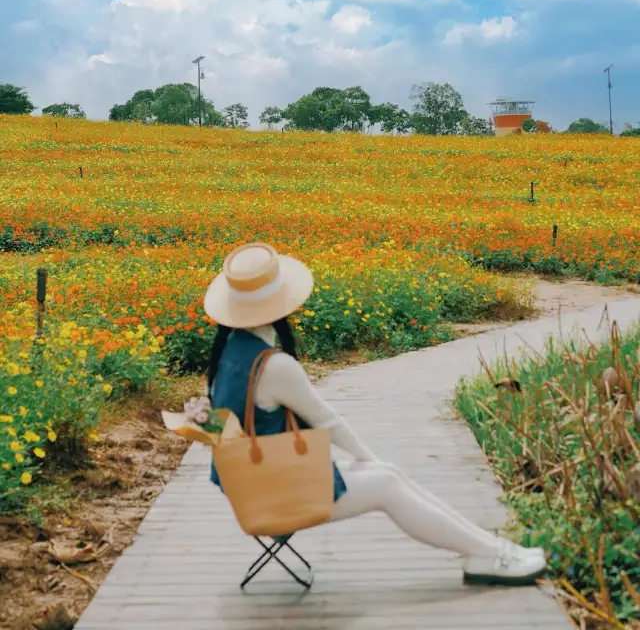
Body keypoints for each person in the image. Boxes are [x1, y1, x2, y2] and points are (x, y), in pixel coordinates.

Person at [204, 242, 547, 586]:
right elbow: (327, 421)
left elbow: (229, 425)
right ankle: (489, 555)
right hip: (277, 502)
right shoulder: (274, 366)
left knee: (389, 474)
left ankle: (487, 549)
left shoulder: (230, 354)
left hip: (256, 493)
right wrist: (368, 459)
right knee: (386, 483)